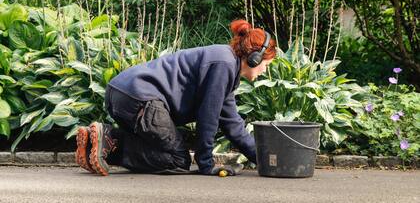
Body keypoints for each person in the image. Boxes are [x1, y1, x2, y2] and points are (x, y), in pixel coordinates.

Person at [75, 19, 276, 176]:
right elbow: (208, 117)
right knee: (178, 159)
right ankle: (111, 141)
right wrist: (206, 164)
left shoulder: (224, 66)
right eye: (266, 64)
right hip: (141, 98)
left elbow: (234, 127)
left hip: (123, 94)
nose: (265, 70)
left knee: (165, 150)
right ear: (254, 57)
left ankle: (100, 143)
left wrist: (267, 162)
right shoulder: (223, 64)